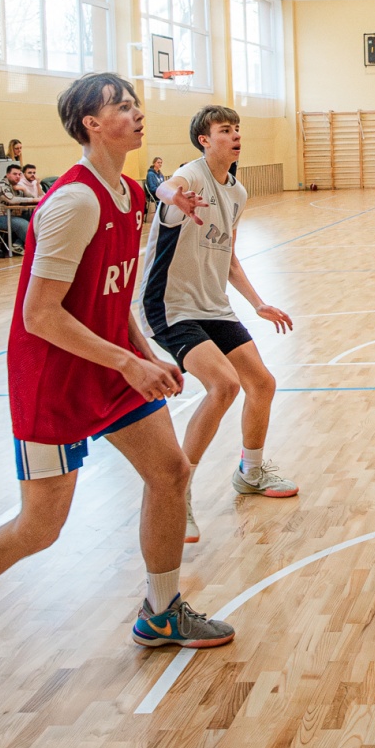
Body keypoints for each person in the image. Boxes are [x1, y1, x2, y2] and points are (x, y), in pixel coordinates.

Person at [0, 73, 229, 708]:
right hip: (55, 377)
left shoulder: (128, 194)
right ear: (90, 123)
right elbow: (40, 315)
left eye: (137, 103)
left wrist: (141, 351)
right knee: (38, 528)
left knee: (170, 471)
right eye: (122, 106)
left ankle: (161, 611)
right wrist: (128, 362)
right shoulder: (74, 202)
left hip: (109, 365)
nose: (138, 113)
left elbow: (110, 291)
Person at [145, 103, 300, 540]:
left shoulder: (237, 193)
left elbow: (229, 257)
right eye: (225, 130)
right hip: (171, 306)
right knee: (224, 385)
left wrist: (258, 303)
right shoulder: (191, 177)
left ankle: (251, 473)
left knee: (261, 383)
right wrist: (172, 197)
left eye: (236, 129)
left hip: (213, 305)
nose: (235, 135)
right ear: (204, 140)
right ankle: (177, 492)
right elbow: (167, 187)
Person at [0, 163, 35, 245]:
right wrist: (34, 199)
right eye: (15, 174)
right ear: (7, 175)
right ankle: (33, 247)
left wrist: (24, 189)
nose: (18, 176)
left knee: (36, 219)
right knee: (23, 224)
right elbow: (12, 200)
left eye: (19, 174)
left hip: (13, 215)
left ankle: (18, 245)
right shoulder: (1, 186)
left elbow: (30, 198)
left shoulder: (16, 186)